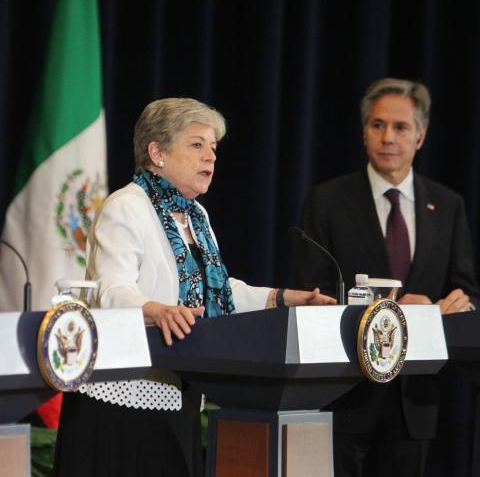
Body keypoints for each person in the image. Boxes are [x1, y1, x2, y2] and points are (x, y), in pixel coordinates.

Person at [53, 97, 335, 477]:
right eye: (197, 145)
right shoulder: (126, 206)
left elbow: (213, 289)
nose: (211, 158)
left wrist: (279, 298)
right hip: (121, 398)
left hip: (181, 391)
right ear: (157, 152)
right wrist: (157, 310)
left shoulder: (195, 215)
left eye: (214, 148)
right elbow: (110, 289)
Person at [296, 77, 480, 476]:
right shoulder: (327, 201)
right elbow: (314, 295)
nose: (388, 137)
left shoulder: (447, 206)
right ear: (364, 133)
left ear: (421, 136)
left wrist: (456, 305)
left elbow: (465, 290)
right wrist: (391, 310)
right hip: (344, 393)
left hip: (415, 399)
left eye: (400, 127)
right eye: (378, 125)